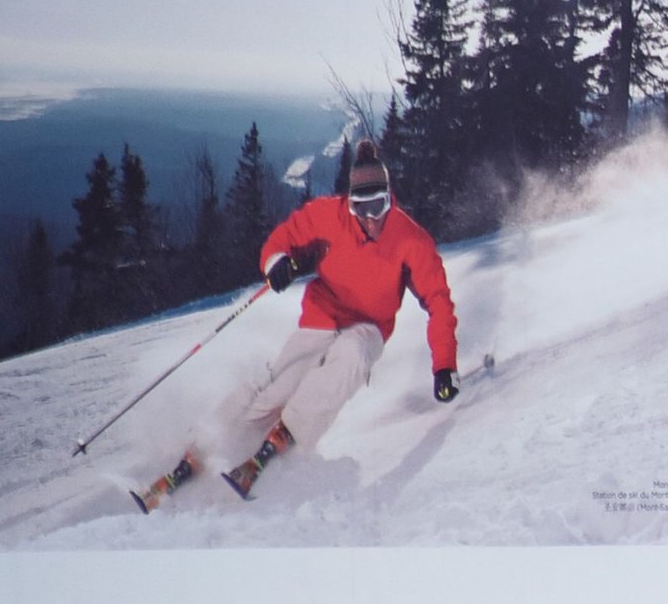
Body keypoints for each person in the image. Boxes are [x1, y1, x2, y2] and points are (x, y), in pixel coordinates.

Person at [131, 141, 458, 511]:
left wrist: (444, 365)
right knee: (280, 384)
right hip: (323, 313)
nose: (369, 217)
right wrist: (278, 263)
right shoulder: (326, 216)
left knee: (349, 358)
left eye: (378, 206)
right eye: (360, 207)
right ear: (348, 201)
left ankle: (289, 434)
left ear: (390, 198)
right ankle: (206, 445)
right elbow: (279, 241)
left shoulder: (410, 239)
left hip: (369, 326)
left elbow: (439, 302)